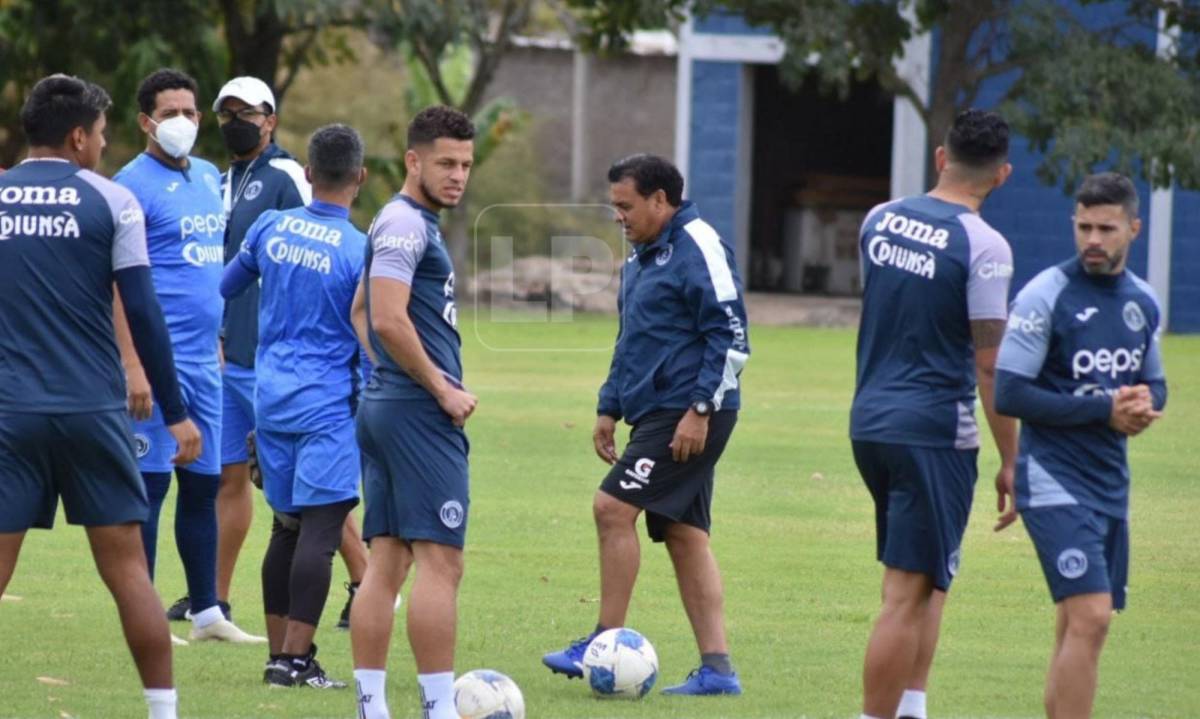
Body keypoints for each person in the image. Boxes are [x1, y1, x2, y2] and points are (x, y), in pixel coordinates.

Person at [0, 73, 201, 719]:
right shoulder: (112, 202)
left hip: (9, 413)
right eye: (104, 135)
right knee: (128, 573)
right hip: (92, 411)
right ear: (79, 135)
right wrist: (177, 412)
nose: (105, 146)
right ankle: (163, 712)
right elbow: (143, 312)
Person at [541, 153, 750, 696]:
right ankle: (718, 671)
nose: (619, 216)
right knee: (685, 534)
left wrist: (700, 409)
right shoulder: (640, 256)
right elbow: (630, 338)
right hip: (657, 410)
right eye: (614, 206)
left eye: (626, 206)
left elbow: (730, 335)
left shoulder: (700, 244)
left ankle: (602, 640)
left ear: (661, 200)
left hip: (690, 411)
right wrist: (609, 404)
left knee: (612, 509)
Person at [172, 75, 366, 624]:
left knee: (308, 490)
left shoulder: (284, 174)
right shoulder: (217, 179)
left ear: (271, 119)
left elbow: (320, 237)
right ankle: (213, 598)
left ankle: (365, 580)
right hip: (226, 353)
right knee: (230, 476)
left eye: (248, 112)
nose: (236, 122)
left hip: (273, 360)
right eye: (226, 112)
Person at [849, 109, 1018, 719]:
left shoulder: (879, 220)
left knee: (929, 576)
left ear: (941, 158)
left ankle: (913, 707)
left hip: (870, 420)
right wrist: (1012, 459)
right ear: (1001, 175)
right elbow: (990, 364)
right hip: (933, 432)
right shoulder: (985, 247)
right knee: (904, 594)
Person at [995, 172, 1166, 719]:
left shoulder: (1143, 301)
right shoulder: (1045, 295)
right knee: (1090, 615)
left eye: (1106, 228)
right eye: (1084, 226)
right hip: (1051, 479)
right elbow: (1010, 392)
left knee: (1083, 625)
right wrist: (1103, 410)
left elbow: (1154, 380)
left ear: (1133, 229)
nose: (1093, 238)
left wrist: (1143, 405)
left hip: (1110, 483)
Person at [113, 68, 264, 644]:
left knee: (204, 486)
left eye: (191, 112)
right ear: (146, 121)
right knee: (150, 488)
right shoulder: (130, 184)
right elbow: (116, 287)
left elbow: (205, 269)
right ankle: (145, 612)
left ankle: (207, 612)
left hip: (206, 363)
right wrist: (131, 364)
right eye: (171, 112)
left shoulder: (207, 176)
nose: (184, 122)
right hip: (156, 366)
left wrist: (219, 336)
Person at [220, 124, 369, 689]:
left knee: (285, 529)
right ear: (359, 177)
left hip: (269, 396)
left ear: (307, 174)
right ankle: (295, 660)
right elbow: (368, 336)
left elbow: (227, 286)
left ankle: (279, 656)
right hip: (326, 406)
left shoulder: (271, 226)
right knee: (321, 532)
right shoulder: (360, 249)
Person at [349, 105, 478, 719]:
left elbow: (359, 312)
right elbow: (388, 317)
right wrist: (438, 388)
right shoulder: (406, 225)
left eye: (466, 165)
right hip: (417, 413)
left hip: (387, 406)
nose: (458, 175)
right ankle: (438, 707)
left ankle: (372, 707)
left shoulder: (398, 219)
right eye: (446, 163)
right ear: (413, 161)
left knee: (388, 560)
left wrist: (388, 377)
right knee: (441, 562)